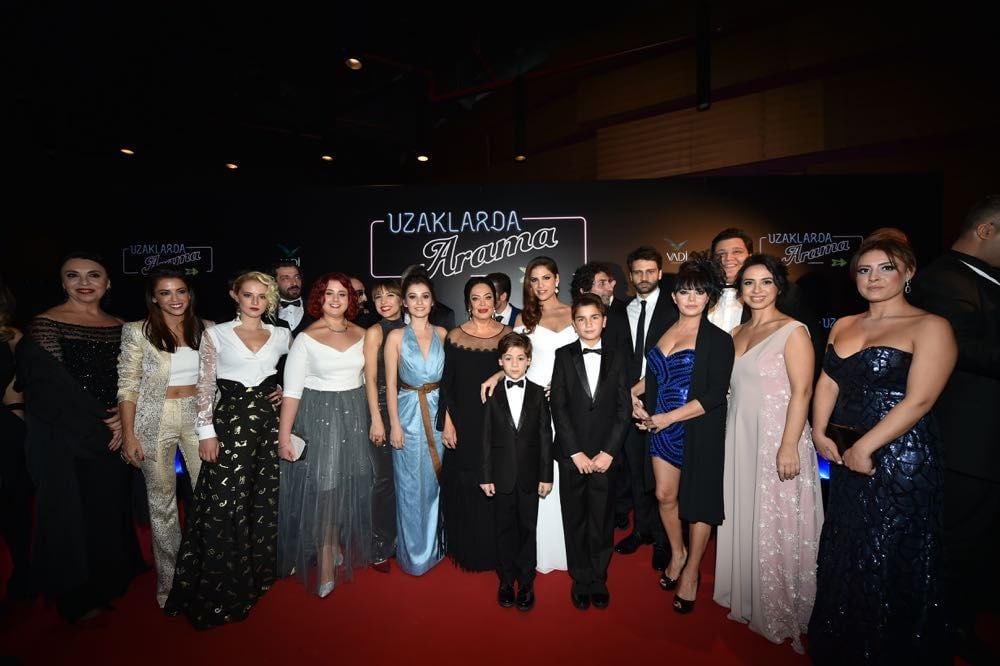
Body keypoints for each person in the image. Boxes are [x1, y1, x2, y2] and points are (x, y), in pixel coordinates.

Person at [808, 228, 956, 665]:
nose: (873, 278)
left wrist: (865, 447)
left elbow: (921, 399)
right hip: (846, 452)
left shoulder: (931, 326)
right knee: (847, 545)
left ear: (908, 272)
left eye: (885, 268)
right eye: (864, 270)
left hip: (902, 457)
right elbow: (828, 381)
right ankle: (845, 646)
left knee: (889, 550)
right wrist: (818, 432)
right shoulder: (844, 324)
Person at [15, 250, 144, 622]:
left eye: (93, 275)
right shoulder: (45, 325)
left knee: (109, 506)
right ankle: (78, 595)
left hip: (115, 435)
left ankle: (111, 578)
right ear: (62, 283)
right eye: (73, 275)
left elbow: (137, 377)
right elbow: (52, 386)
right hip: (66, 436)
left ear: (108, 283)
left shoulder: (122, 326)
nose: (84, 283)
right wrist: (109, 418)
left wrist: (126, 418)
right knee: (70, 512)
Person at [165, 270, 291, 629]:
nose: (255, 302)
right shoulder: (216, 333)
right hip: (230, 426)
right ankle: (221, 587)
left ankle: (259, 574)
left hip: (267, 426)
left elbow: (301, 373)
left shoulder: (282, 335)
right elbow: (204, 386)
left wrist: (283, 389)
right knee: (225, 501)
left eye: (262, 296)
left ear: (270, 300)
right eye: (248, 294)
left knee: (262, 499)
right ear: (235, 295)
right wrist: (206, 432)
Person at [712, 254, 824, 653]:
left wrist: (789, 444)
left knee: (774, 518)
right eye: (749, 283)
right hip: (740, 434)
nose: (757, 290)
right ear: (739, 290)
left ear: (779, 286)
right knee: (744, 511)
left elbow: (803, 391)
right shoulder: (736, 333)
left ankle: (780, 604)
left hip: (778, 436)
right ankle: (746, 594)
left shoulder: (793, 331)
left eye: (765, 282)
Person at [909, 195, 1000, 663]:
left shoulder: (978, 279)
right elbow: (956, 350)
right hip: (965, 445)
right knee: (957, 544)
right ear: (986, 230)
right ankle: (947, 628)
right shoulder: (945, 280)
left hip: (980, 446)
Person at [633, 253, 735, 614]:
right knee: (664, 495)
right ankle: (677, 552)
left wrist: (668, 418)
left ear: (710, 298)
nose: (691, 298)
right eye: (685, 292)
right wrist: (633, 396)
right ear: (674, 296)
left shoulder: (718, 340)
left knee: (699, 502)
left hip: (698, 427)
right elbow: (654, 377)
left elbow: (713, 395)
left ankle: (691, 571)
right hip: (660, 427)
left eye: (699, 292)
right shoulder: (664, 330)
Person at [117, 266, 212, 608]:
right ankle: (171, 585)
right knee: (162, 505)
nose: (175, 299)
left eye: (181, 291)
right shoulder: (137, 331)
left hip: (200, 417)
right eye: (166, 292)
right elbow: (128, 385)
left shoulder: (207, 328)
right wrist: (129, 435)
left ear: (190, 294)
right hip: (154, 418)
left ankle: (207, 575)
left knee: (208, 499)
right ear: (154, 298)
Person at [277, 272, 372, 597]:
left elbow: (370, 381)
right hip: (320, 420)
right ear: (319, 298)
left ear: (351, 299)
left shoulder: (364, 334)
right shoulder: (305, 338)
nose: (335, 300)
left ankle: (335, 542)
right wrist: (284, 436)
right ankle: (326, 554)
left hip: (355, 417)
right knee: (326, 490)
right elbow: (292, 392)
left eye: (342, 294)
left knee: (347, 485)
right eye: (329, 293)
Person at [550, 294, 631, 610]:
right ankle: (580, 578)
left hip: (606, 457)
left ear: (604, 321)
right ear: (574, 324)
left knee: (602, 518)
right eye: (581, 319)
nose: (588, 324)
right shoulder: (563, 355)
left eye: (594, 317)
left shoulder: (618, 357)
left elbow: (624, 409)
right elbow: (558, 406)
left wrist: (609, 452)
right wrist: (575, 452)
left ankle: (598, 577)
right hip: (573, 457)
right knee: (575, 518)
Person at [439, 277, 511, 571]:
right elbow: (447, 384)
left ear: (496, 301)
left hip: (500, 421)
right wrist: (447, 422)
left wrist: (500, 374)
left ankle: (499, 550)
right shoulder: (455, 336)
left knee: (498, 481)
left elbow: (521, 366)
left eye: (487, 297)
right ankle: (471, 550)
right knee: (468, 484)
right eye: (476, 298)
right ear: (468, 303)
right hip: (465, 422)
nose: (482, 304)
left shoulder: (509, 335)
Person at [480, 332, 552, 611]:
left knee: (527, 530)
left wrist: (546, 475)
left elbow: (545, 437)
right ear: (500, 361)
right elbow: (486, 438)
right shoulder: (492, 393)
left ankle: (527, 582)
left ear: (529, 361)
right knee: (504, 530)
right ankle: (506, 581)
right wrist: (486, 476)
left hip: (530, 476)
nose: (514, 364)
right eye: (508, 358)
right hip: (501, 476)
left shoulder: (538, 394)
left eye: (520, 358)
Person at [615, 246, 677, 572]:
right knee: (636, 473)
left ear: (660, 273)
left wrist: (644, 392)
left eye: (650, 271)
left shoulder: (674, 309)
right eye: (638, 272)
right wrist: (628, 397)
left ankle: (664, 540)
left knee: (662, 477)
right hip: (629, 403)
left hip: (664, 403)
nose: (643, 277)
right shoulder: (620, 311)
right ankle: (642, 530)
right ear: (630, 275)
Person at [513, 256, 575, 573]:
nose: (540, 285)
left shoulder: (576, 313)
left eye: (546, 278)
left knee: (569, 473)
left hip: (573, 407)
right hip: (536, 406)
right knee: (541, 470)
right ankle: (541, 549)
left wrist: (566, 387)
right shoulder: (524, 318)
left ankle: (570, 547)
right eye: (534, 280)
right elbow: (514, 359)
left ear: (558, 279)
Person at [384, 273, 448, 576]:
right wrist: (394, 425)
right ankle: (414, 555)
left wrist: (449, 421)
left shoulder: (443, 334)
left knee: (435, 483)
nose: (419, 302)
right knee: (410, 485)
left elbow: (450, 384)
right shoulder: (396, 337)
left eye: (425, 296)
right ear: (404, 302)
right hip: (408, 412)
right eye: (413, 297)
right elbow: (390, 385)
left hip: (438, 414)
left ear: (433, 301)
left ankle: (435, 547)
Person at [363, 278, 405, 573]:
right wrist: (377, 420)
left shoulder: (411, 329)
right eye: (378, 297)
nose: (384, 301)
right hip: (380, 408)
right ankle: (380, 543)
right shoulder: (375, 331)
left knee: (406, 480)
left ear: (403, 299)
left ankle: (405, 539)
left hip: (409, 407)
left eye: (390, 295)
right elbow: (369, 378)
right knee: (384, 480)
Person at [0, 275, 29, 603]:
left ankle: (22, 572)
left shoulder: (12, 337)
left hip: (6, 429)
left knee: (13, 505)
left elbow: (16, 388)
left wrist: (18, 423)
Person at [708, 228, 753, 333]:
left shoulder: (767, 296)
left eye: (737, 252)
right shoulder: (700, 293)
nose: (728, 258)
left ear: (750, 257)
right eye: (721, 254)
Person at [400, 264, 455, 330]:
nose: (419, 302)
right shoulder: (394, 310)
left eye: (425, 296)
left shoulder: (444, 316)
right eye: (412, 296)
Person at [273, 259, 313, 336]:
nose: (294, 282)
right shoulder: (265, 312)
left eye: (297, 277)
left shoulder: (316, 307)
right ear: (274, 283)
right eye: (286, 278)